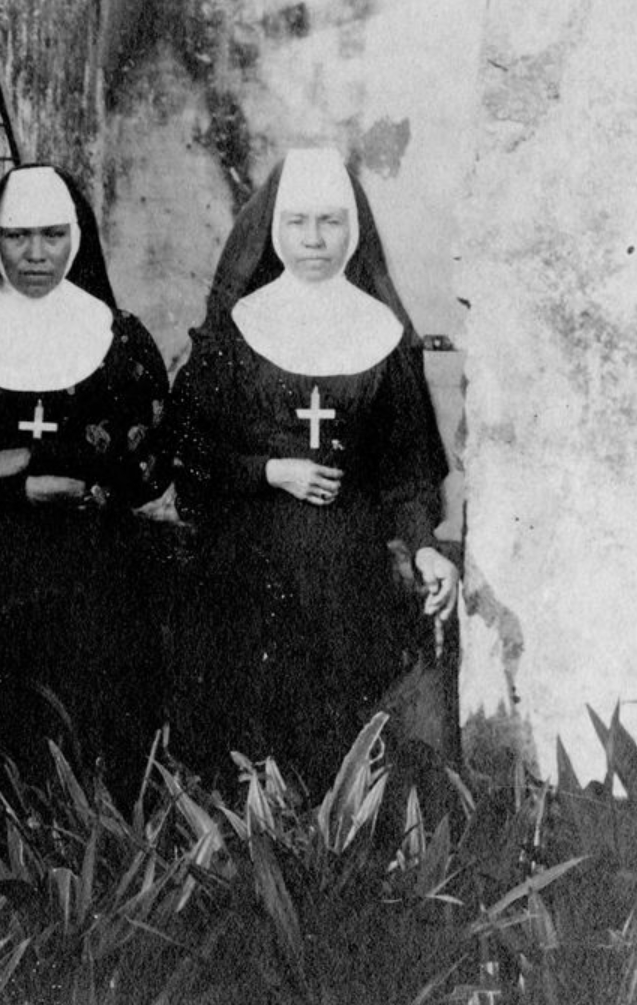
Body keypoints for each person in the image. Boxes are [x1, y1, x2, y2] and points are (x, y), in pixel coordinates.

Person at [167, 148, 459, 793]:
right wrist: (269, 470)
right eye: (297, 222)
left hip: (347, 579)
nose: (314, 240)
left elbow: (407, 467)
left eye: (330, 222)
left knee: (338, 745)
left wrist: (425, 547)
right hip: (249, 569)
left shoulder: (383, 331)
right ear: (274, 227)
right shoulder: (235, 331)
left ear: (353, 229)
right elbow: (187, 450)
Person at [0, 165, 170, 796]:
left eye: (52, 235)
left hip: (90, 586)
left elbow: (149, 463)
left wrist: (31, 459)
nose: (37, 254)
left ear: (76, 237)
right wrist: (30, 488)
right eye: (19, 236)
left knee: (83, 743)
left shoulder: (117, 335)